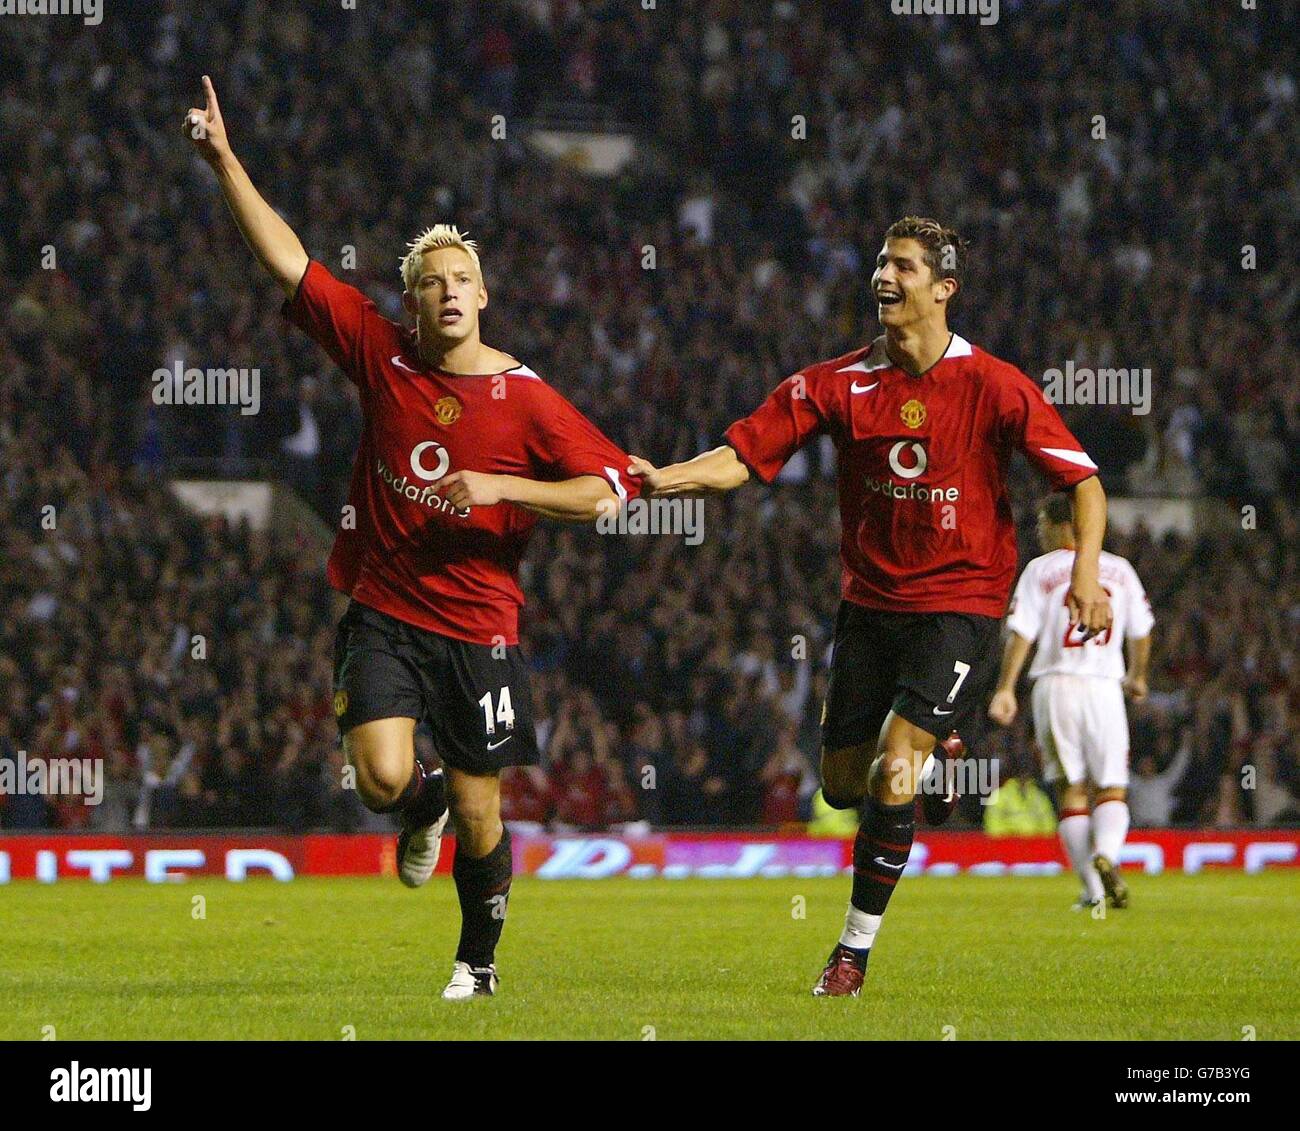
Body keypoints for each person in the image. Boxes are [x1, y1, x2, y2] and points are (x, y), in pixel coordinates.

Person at [184, 76, 636, 999]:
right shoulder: (379, 351)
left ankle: (477, 963)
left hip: (479, 626)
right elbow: (291, 264)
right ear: (414, 302)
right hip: (385, 612)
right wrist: (225, 160)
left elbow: (609, 489)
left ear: (485, 296)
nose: (448, 292)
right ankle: (414, 803)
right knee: (384, 778)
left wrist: (506, 485)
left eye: (462, 279)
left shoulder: (528, 396)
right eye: (431, 283)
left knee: (483, 814)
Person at [630, 216, 1112, 996]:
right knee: (844, 785)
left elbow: (1082, 483)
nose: (885, 278)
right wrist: (665, 480)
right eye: (882, 263)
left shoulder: (995, 384)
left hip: (961, 601)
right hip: (869, 606)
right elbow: (743, 457)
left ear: (944, 288)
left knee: (893, 765)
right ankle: (940, 751)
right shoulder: (833, 383)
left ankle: (851, 953)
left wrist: (1086, 574)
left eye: (906, 267)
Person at [988, 494, 1154, 910]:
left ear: (1066, 525)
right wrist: (1138, 675)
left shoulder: (1039, 570)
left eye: (1044, 523)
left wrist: (1006, 687)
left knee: (1073, 790)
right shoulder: (1119, 569)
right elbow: (1141, 629)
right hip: (1103, 685)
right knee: (1112, 787)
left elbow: (1021, 632)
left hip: (1055, 685)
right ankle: (1108, 857)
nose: (1039, 532)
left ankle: (1093, 891)